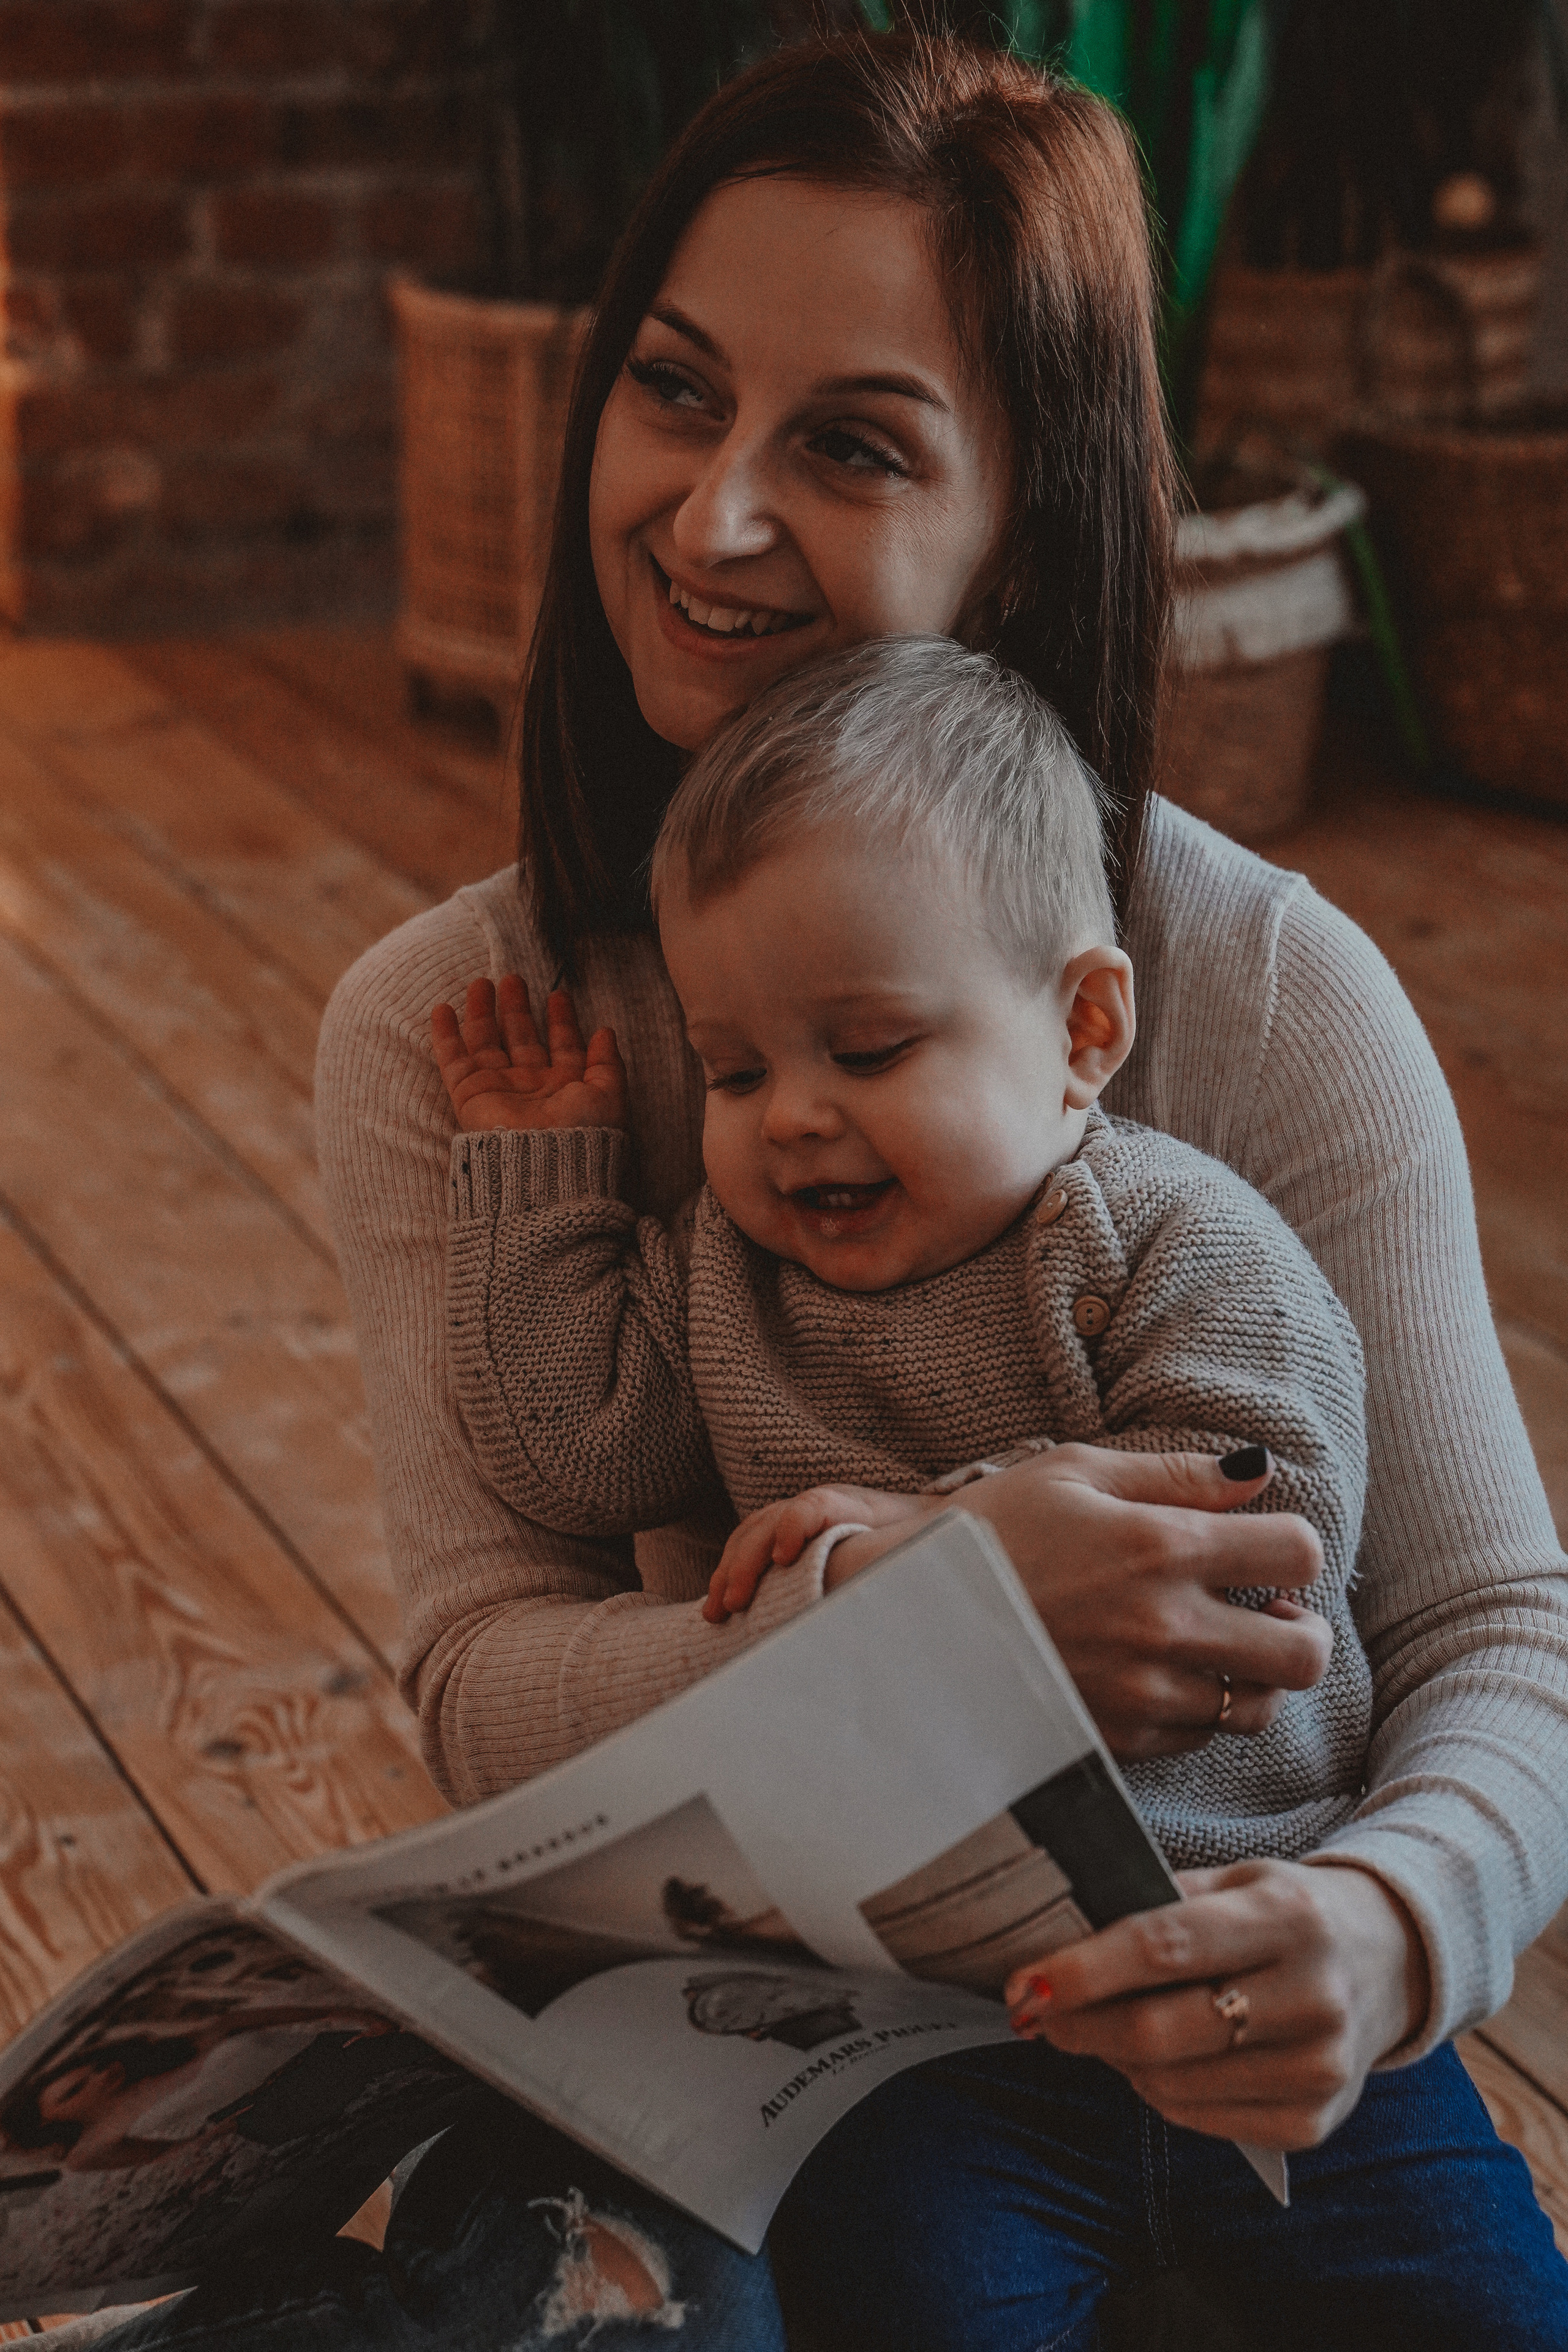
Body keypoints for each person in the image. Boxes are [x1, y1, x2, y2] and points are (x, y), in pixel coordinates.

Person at [88, 25, 1568, 2352]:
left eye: (854, 444)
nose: (712, 518)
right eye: (675, 392)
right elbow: (487, 1669)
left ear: (1032, 519)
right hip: (821, 2037)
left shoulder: (1268, 993)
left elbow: (1493, 1630)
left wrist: (1390, 1928)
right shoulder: (466, 1036)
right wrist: (903, 1621)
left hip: (1245, 1993)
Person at [432, 632, 1374, 1892]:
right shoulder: (729, 1269)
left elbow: (1276, 1530)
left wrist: (941, 1544)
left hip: (1223, 1871)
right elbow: (575, 1455)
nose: (789, 1119)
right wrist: (541, 1174)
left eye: (868, 1050)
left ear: (1082, 1027)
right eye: (734, 1071)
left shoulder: (1175, 1238)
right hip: (881, 1904)